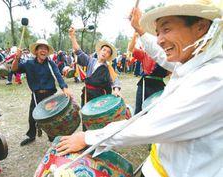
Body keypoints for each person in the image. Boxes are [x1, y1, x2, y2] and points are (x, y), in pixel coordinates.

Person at [56, 0, 223, 176]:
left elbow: (151, 124)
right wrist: (140, 29)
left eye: (166, 29)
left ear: (201, 27)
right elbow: (161, 55)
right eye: (157, 33)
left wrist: (88, 137)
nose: (159, 40)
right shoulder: (193, 61)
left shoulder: (214, 78)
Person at [12, 39, 71, 146]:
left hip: (49, 96)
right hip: (36, 95)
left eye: (46, 49)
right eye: (41, 49)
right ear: (36, 51)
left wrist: (64, 88)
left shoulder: (51, 64)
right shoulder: (29, 63)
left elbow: (58, 75)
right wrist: (17, 58)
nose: (44, 51)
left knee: (51, 117)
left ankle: (52, 136)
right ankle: (31, 135)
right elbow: (15, 69)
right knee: (32, 117)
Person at [69, 27, 121, 107]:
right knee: (86, 116)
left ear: (109, 56)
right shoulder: (90, 61)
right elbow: (78, 51)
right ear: (99, 51)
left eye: (108, 52)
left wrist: (116, 90)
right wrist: (73, 36)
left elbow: (115, 80)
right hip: (87, 94)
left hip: (100, 98)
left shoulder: (108, 67)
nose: (105, 52)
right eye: (104, 50)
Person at [128, 33, 169, 114]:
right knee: (140, 110)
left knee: (157, 110)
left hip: (159, 86)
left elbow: (171, 73)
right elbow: (131, 49)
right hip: (145, 85)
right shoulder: (145, 53)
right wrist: (135, 35)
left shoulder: (166, 55)